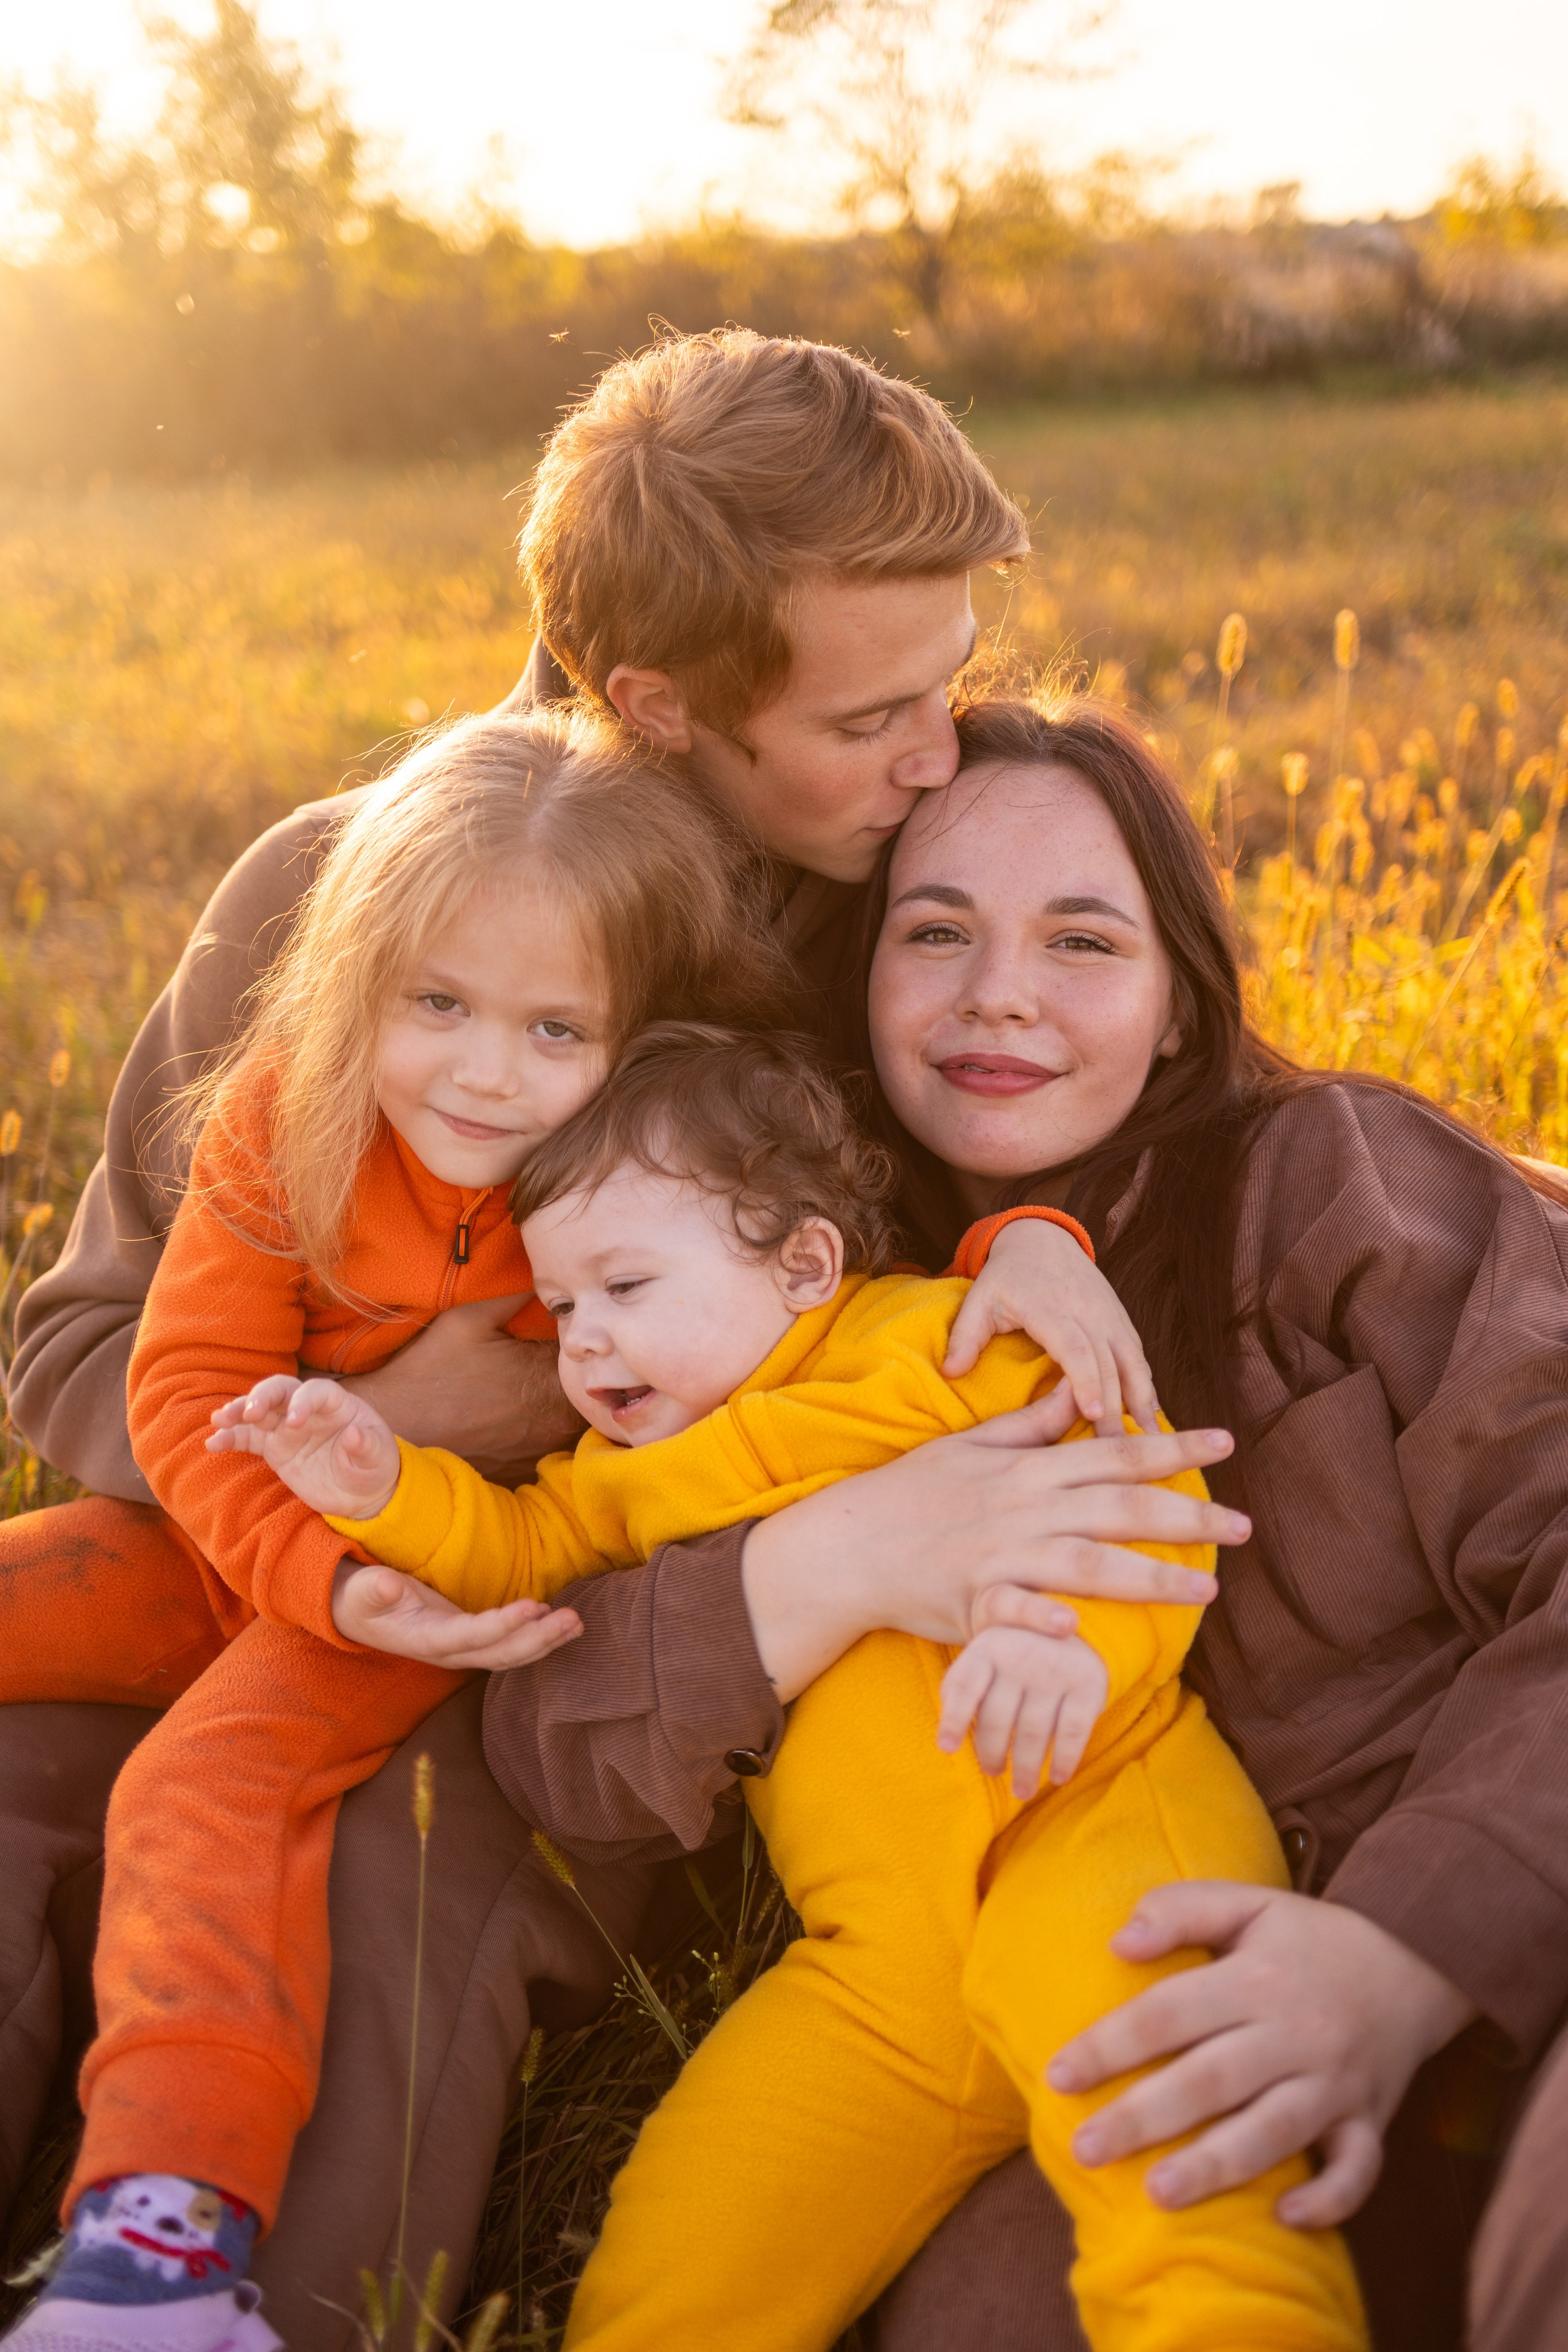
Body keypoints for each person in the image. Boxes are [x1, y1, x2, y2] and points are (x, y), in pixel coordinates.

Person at [1, 337, 1226, 2345]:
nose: (943, 747)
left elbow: (953, 1284)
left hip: (596, 1649)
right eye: (875, 711)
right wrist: (384, 1438)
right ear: (654, 703)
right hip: (246, 1553)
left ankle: (247, 2312)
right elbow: (80, 1350)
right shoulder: (347, 898)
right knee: (35, 1804)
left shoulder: (885, 931)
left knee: (388, 1896)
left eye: (954, 675)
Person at [519, 687, 1559, 2352]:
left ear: (1175, 1004)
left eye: (1084, 940)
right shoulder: (769, 1307)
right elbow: (551, 1728)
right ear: (861, 983)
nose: (999, 993)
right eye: (936, 932)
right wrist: (842, 1559)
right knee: (992, 2315)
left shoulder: (1329, 1179)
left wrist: (1401, 1953)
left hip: (1505, 1923)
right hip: (1097, 1993)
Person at [225, 1022, 1366, 2352]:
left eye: (627, 1285)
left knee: (1180, 2173)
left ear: (803, 1264)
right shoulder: (627, 1474)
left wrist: (1053, 1640)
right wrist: (384, 1485)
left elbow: (1134, 1474)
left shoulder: (928, 1349)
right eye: (565, 1308)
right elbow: (518, 1551)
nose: (586, 1344)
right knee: (686, 2256)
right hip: (880, 1966)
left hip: (1098, 1833)